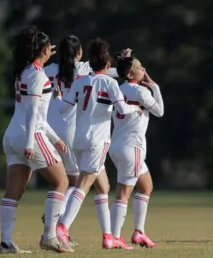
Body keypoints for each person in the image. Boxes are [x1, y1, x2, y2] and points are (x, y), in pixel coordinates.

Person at [56, 38, 141, 249]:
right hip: (98, 141)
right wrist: (136, 109)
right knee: (83, 186)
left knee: (103, 187)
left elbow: (64, 109)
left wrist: (60, 97)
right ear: (107, 64)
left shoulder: (80, 81)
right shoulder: (110, 83)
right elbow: (122, 109)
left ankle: (108, 237)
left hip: (80, 139)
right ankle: (62, 227)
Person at [0, 25, 73, 254]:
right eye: (48, 47)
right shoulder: (38, 74)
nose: (52, 50)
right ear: (42, 50)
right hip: (27, 135)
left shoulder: (23, 71)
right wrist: (31, 143)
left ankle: (6, 243)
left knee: (13, 192)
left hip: (12, 135)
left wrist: (55, 137)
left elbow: (37, 114)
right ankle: (50, 236)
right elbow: (32, 112)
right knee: (62, 182)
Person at [41, 36, 119, 247]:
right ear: (78, 53)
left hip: (52, 126)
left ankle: (110, 236)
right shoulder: (84, 69)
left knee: (97, 184)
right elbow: (108, 72)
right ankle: (56, 226)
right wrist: (122, 63)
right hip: (77, 130)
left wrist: (43, 54)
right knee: (73, 184)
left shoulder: (50, 70)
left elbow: (33, 72)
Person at [109, 54, 164, 248]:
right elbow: (160, 111)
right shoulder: (140, 91)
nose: (144, 70)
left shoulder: (117, 88)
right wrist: (154, 86)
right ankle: (114, 237)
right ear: (131, 72)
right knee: (123, 193)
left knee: (146, 186)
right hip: (132, 147)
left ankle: (139, 232)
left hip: (116, 145)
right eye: (140, 67)